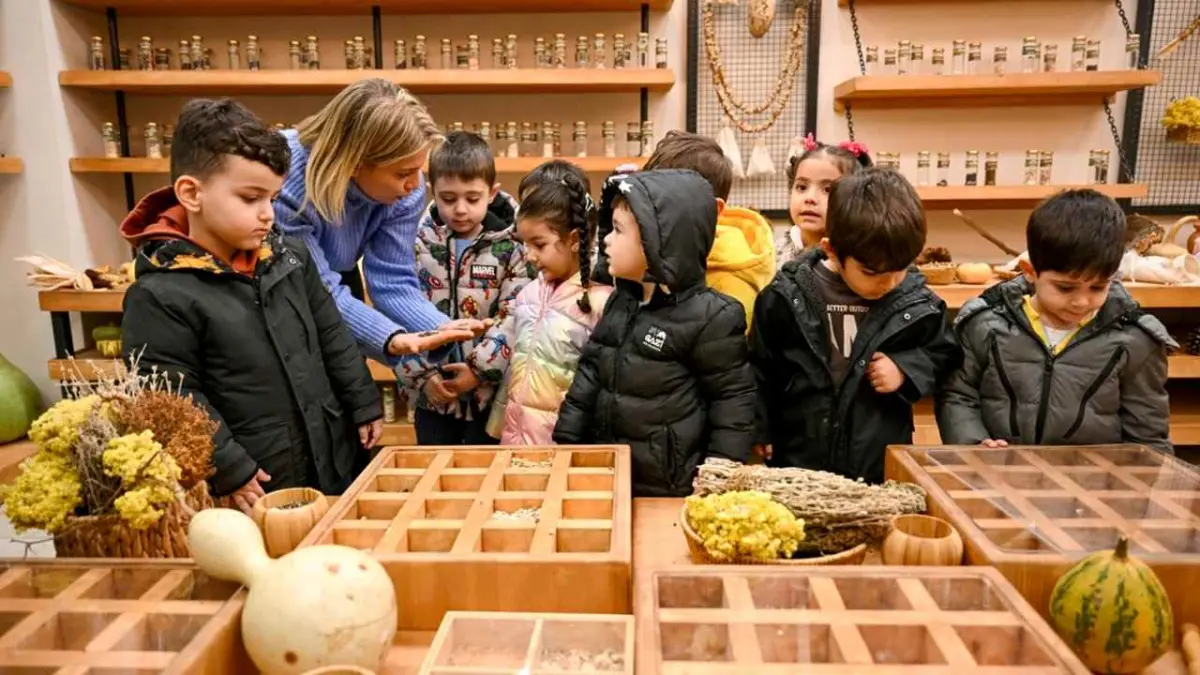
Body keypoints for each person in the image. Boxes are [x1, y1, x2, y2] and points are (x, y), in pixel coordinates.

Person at [120, 99, 382, 513]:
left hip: (333, 452)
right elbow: (172, 395)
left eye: (273, 198)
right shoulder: (160, 295)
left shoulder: (291, 257)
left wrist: (363, 401)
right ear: (191, 193)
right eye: (250, 198)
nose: (268, 215)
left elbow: (331, 333)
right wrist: (228, 466)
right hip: (256, 477)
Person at [553, 170, 757, 497]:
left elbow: (733, 404)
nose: (605, 239)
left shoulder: (712, 317)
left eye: (618, 231)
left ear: (658, 241)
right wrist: (568, 440)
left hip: (668, 486)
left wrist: (718, 477)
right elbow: (591, 371)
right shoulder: (622, 301)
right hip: (606, 473)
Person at [750, 168, 960, 483]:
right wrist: (759, 427)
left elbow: (944, 354)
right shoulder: (785, 294)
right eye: (872, 271)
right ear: (831, 249)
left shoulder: (919, 302)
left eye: (900, 270)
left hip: (878, 459)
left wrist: (906, 368)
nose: (889, 283)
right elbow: (759, 367)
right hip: (798, 458)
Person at [937, 189, 1174, 453]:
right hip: (998, 474)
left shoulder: (1136, 339)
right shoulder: (985, 324)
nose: (1082, 301)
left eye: (1097, 288)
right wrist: (973, 443)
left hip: (1092, 482)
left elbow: (1148, 434)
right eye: (1065, 288)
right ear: (1030, 272)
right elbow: (958, 395)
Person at [273, 78, 480, 365]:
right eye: (402, 173)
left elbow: (391, 277)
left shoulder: (407, 191)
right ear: (355, 164)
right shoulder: (283, 181)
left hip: (336, 282)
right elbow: (317, 288)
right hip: (282, 293)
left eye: (418, 169)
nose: (415, 185)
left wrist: (440, 326)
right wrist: (388, 337)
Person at [396, 131, 531, 445]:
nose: (460, 209)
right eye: (448, 198)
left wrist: (477, 371)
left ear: (492, 192)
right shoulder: (413, 242)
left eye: (472, 199)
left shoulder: (513, 245)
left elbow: (515, 315)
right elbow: (397, 313)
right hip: (431, 397)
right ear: (431, 190)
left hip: (487, 396)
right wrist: (422, 376)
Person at [483, 164, 614, 445]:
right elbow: (515, 373)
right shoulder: (526, 295)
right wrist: (498, 427)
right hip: (515, 445)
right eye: (525, 244)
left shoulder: (600, 303)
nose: (529, 256)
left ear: (574, 240)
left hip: (566, 449)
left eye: (539, 245)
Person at [635, 130, 776, 332]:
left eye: (665, 200)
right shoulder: (668, 255)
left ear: (712, 210)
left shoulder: (732, 289)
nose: (649, 209)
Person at [777, 135, 873, 266]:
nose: (810, 198)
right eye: (802, 187)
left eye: (828, 190)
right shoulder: (772, 253)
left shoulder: (858, 262)